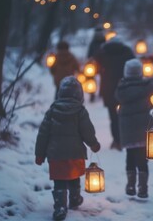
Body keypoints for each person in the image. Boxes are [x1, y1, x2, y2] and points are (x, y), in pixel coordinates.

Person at [35, 76, 101, 221]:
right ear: (80, 95)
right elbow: (87, 131)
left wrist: (39, 154)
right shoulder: (80, 111)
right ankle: (75, 198)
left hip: (56, 154)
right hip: (75, 153)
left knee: (59, 179)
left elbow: (43, 134)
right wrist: (94, 144)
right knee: (74, 176)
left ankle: (60, 207)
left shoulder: (52, 111)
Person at [115, 59, 153, 198]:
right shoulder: (145, 86)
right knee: (142, 158)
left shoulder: (121, 88)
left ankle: (130, 185)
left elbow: (115, 96)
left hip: (127, 128)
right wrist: (152, 77)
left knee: (130, 156)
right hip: (142, 126)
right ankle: (143, 188)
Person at [94, 37, 135, 151]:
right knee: (126, 116)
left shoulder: (104, 53)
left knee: (113, 117)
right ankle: (125, 139)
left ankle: (117, 141)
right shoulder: (127, 51)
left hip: (108, 89)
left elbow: (95, 60)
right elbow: (134, 64)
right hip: (124, 87)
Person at [86, 27, 106, 102]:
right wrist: (89, 60)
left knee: (104, 78)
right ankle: (92, 93)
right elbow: (89, 54)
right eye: (97, 33)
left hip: (103, 63)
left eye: (100, 33)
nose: (99, 35)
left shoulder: (105, 42)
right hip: (93, 64)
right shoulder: (93, 43)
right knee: (91, 78)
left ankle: (102, 93)